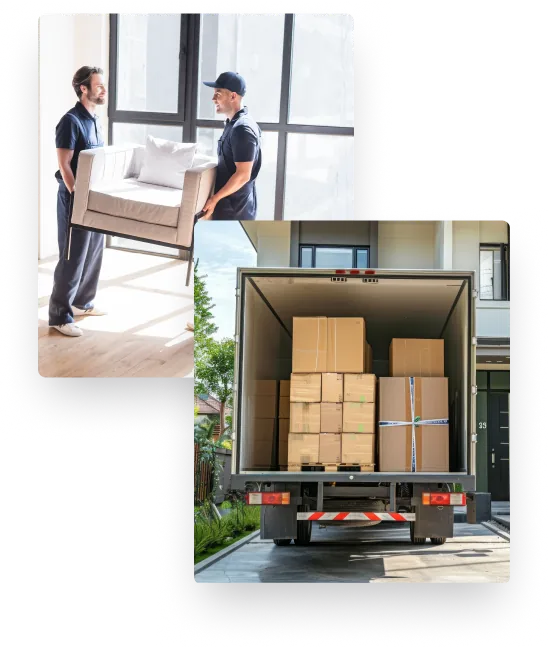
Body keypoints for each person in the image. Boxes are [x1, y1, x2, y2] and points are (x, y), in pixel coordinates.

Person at [48, 66, 108, 337]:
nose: (103, 90)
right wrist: (77, 197)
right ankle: (60, 316)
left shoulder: (94, 119)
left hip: (92, 197)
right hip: (75, 199)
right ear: (83, 88)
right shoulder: (70, 121)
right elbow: (64, 165)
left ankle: (83, 302)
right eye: (98, 86)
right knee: (72, 256)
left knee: (94, 249)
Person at [200, 72, 262, 221]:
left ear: (233, 96)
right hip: (230, 206)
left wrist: (214, 199)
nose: (213, 99)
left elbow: (243, 175)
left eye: (218, 94)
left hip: (235, 211)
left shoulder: (242, 129)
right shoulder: (233, 124)